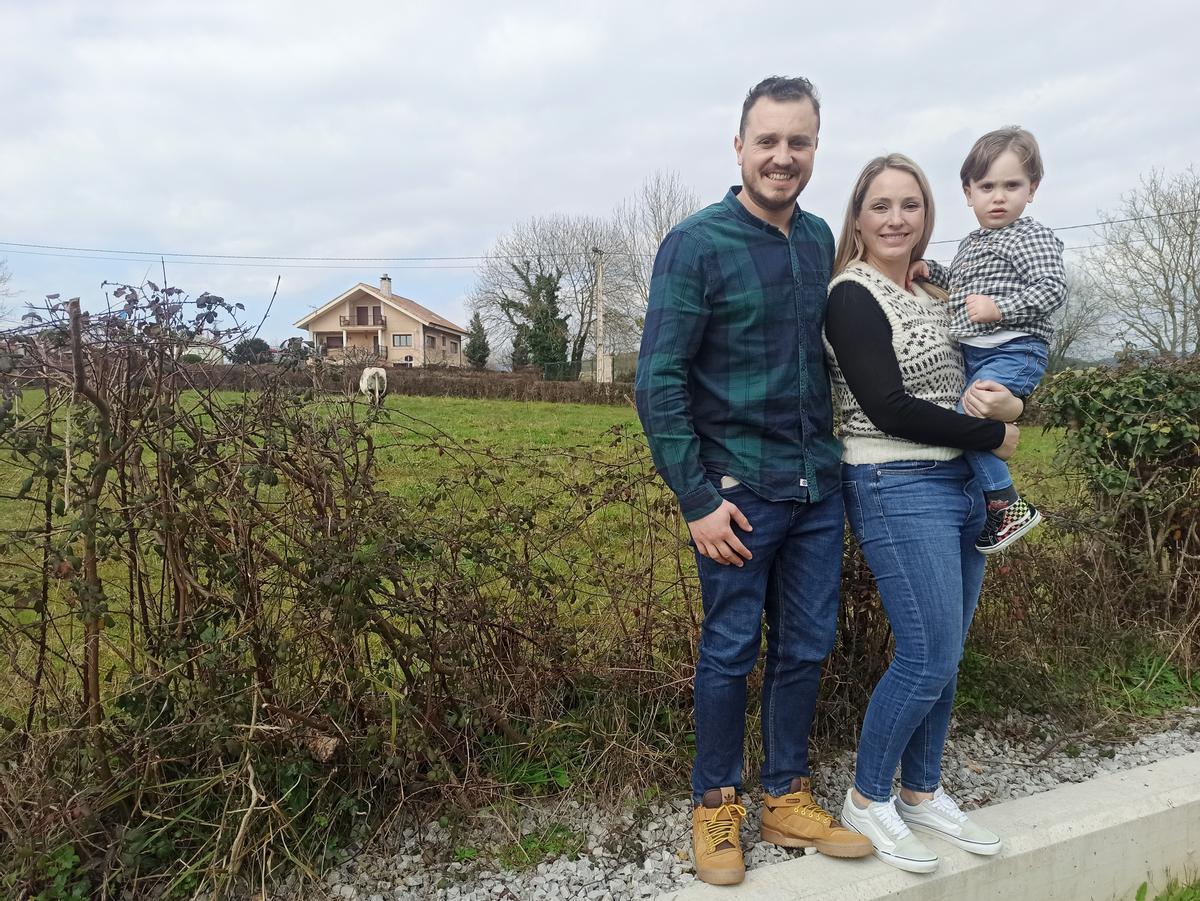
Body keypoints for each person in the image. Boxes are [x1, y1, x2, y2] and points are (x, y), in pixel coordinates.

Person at [635, 76, 872, 886]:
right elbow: (657, 383)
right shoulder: (696, 244)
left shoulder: (817, 244)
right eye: (767, 141)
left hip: (815, 488)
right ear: (739, 146)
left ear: (814, 149)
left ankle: (785, 794)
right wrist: (698, 499)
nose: (782, 156)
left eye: (798, 142)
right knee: (730, 651)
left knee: (806, 645)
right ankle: (714, 806)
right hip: (737, 495)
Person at [822, 154, 1024, 873]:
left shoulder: (935, 292)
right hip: (895, 482)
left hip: (960, 484)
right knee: (927, 651)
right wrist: (993, 434)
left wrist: (1007, 407)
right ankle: (867, 796)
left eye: (910, 204)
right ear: (858, 216)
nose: (897, 218)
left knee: (949, 652)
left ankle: (921, 788)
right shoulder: (851, 295)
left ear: (928, 214)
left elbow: (985, 373)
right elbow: (887, 406)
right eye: (881, 205)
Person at [919, 127, 1066, 553]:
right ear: (968, 193)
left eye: (1012, 185)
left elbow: (1052, 288)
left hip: (1016, 347)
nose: (998, 197)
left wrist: (1002, 309)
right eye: (986, 187)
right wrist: (930, 270)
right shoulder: (971, 242)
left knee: (966, 416)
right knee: (964, 416)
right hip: (977, 352)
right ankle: (995, 501)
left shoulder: (1030, 236)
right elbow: (963, 288)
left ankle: (1006, 504)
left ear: (1032, 189)